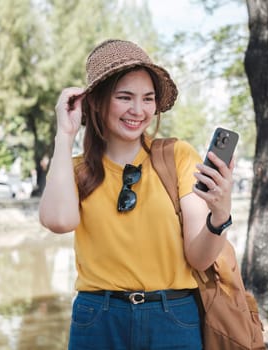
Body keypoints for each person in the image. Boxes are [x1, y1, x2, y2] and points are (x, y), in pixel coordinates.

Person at [38, 39, 235, 349]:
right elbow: (59, 221)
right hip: (98, 319)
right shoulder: (76, 170)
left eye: (148, 98)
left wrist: (220, 214)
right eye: (124, 97)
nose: (138, 110)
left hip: (172, 317)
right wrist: (64, 135)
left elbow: (199, 258)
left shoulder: (178, 156)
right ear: (98, 102)